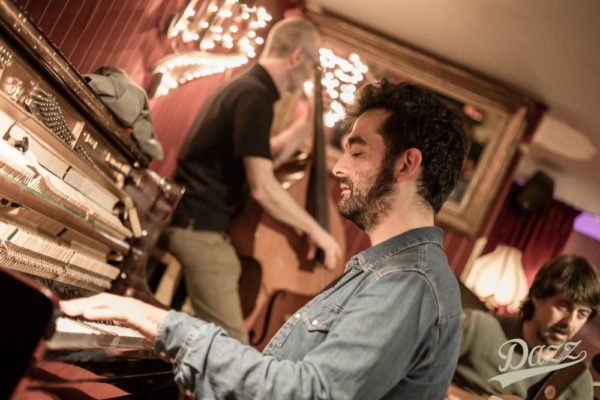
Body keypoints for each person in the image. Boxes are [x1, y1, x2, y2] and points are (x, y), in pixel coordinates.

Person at [61, 79, 469, 399]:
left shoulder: (407, 283)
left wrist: (162, 323)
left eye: (357, 152)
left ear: (406, 165)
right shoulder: (389, 272)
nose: (339, 168)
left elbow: (307, 394)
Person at [164, 17, 342, 343]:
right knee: (234, 347)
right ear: (297, 56)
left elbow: (267, 155)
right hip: (198, 229)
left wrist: (306, 122)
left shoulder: (248, 88)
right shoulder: (255, 97)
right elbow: (262, 187)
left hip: (199, 223)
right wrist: (317, 231)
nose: (309, 75)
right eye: (311, 65)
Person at [449, 254, 600, 400]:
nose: (570, 322)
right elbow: (432, 376)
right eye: (563, 306)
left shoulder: (577, 379)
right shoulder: (478, 327)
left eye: (582, 314)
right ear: (537, 296)